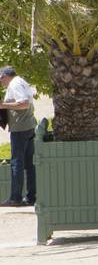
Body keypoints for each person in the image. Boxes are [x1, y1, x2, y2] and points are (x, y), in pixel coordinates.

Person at [0, 66, 36, 207]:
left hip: (20, 129)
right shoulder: (21, 81)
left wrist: (3, 105)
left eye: (0, 79)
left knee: (17, 163)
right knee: (29, 164)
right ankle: (31, 197)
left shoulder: (14, 84)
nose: (1, 83)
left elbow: (24, 104)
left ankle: (15, 198)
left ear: (4, 76)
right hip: (28, 126)